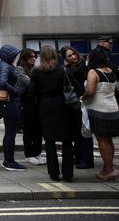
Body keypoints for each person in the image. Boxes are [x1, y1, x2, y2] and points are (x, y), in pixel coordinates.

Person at [29, 46, 83, 182]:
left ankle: (54, 173)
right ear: (55, 56)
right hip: (64, 106)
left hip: (45, 106)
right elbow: (78, 88)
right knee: (66, 140)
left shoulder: (36, 73)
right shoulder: (63, 71)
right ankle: (68, 173)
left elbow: (31, 92)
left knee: (49, 140)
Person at [82, 49, 119, 181]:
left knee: (102, 139)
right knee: (109, 139)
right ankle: (108, 167)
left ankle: (109, 169)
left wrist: (83, 97)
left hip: (99, 109)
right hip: (113, 108)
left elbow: (91, 91)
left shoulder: (93, 72)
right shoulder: (110, 71)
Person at [61, 45, 94, 170]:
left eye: (74, 53)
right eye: (69, 56)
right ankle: (79, 156)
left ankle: (86, 159)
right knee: (78, 131)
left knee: (85, 131)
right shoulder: (68, 68)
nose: (73, 56)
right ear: (65, 58)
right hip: (74, 103)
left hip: (82, 101)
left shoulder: (82, 66)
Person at [0, 44, 26, 172]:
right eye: (13, 55)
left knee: (10, 132)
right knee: (10, 132)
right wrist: (16, 91)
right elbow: (2, 82)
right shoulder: (5, 66)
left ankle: (9, 160)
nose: (15, 57)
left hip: (8, 102)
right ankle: (9, 161)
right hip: (10, 102)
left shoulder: (3, 64)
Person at [17, 48, 46, 167]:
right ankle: (29, 154)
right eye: (31, 57)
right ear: (25, 58)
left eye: (34, 57)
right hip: (26, 101)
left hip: (37, 101)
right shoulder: (20, 69)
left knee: (38, 129)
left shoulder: (35, 69)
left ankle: (37, 153)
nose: (33, 59)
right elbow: (30, 83)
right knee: (29, 129)